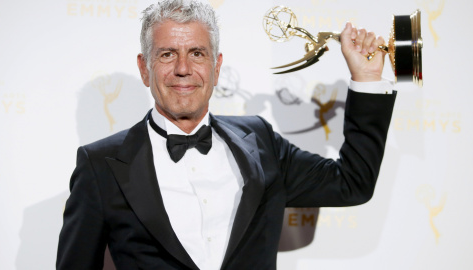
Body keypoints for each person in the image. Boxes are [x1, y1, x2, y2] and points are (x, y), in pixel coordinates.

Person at [56, 0, 396, 269]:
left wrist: (367, 80)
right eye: (167, 54)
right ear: (145, 68)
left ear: (216, 67)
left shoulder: (260, 140)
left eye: (197, 53)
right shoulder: (100, 165)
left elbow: (353, 183)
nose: (183, 69)